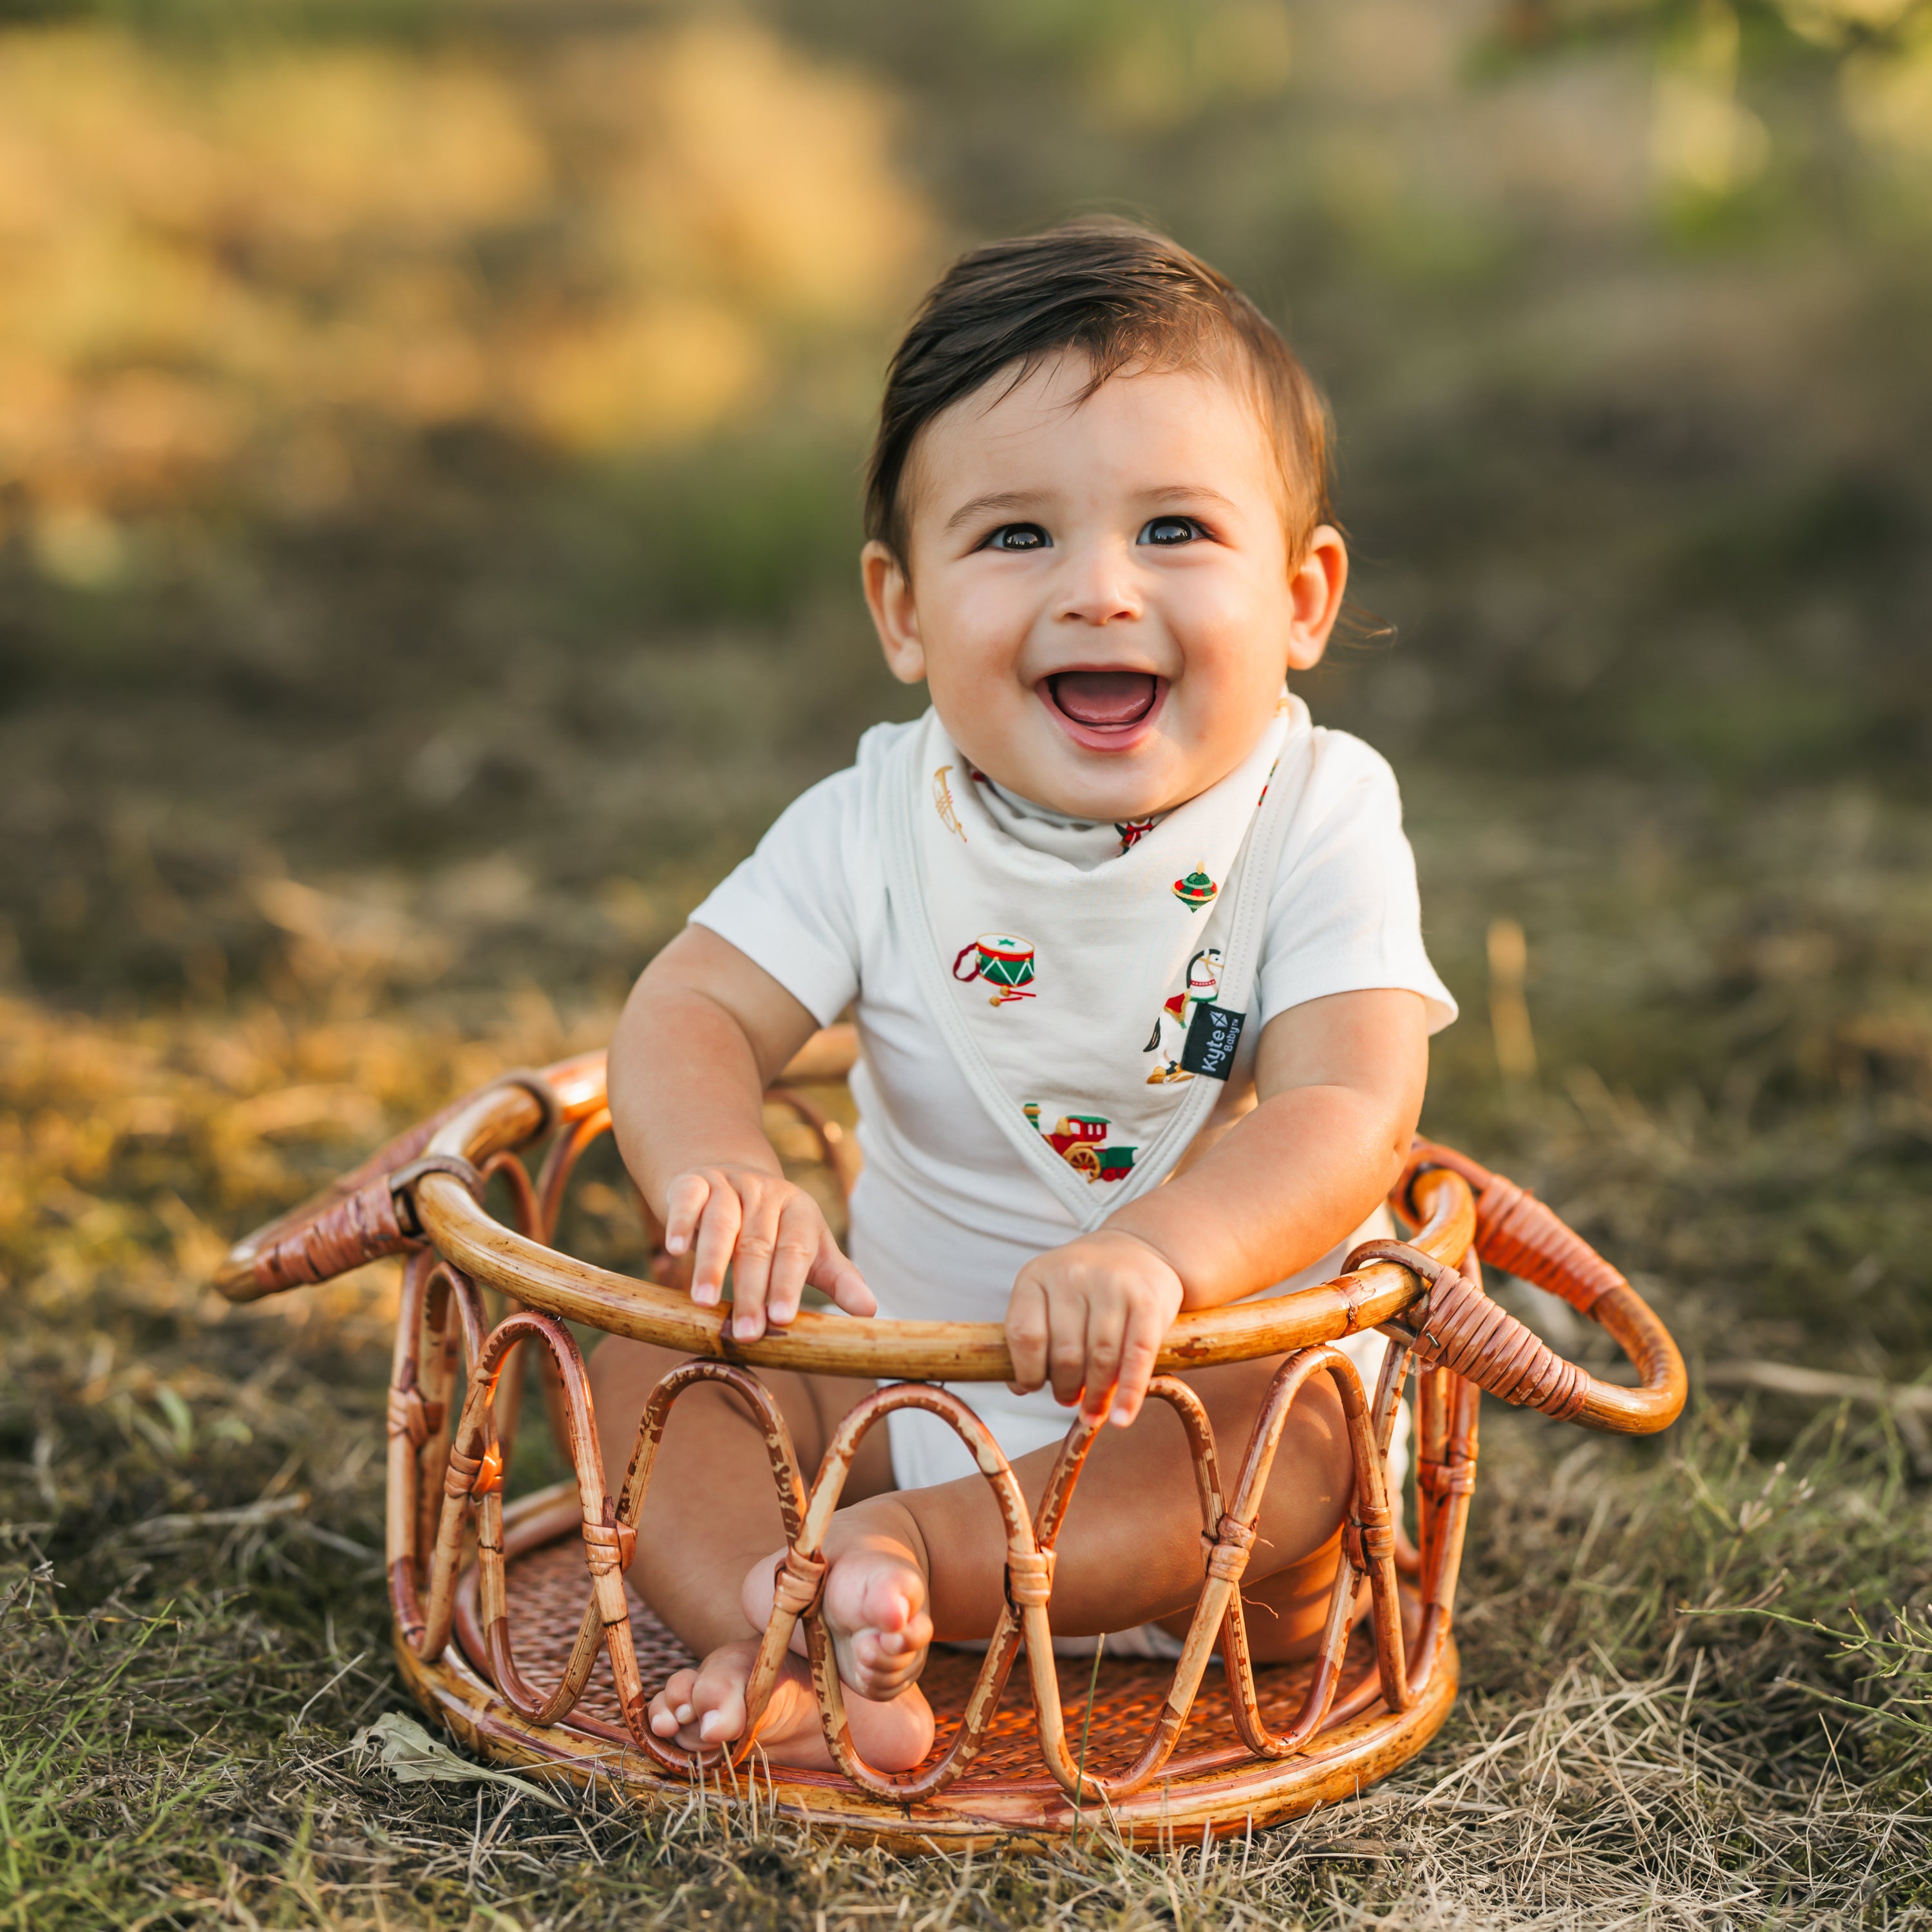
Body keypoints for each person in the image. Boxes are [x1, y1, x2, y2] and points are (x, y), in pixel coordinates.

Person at [588, 219, 1457, 1772]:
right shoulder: (872, 820)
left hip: (1199, 1452)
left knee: (1305, 1437)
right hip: (893, 1396)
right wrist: (723, 1170)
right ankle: (770, 1623)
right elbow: (692, 1011)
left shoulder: (1320, 809)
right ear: (904, 612)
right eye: (1014, 539)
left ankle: (895, 1566)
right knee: (646, 1364)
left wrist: (1157, 1256)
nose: (1102, 594)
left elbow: (1348, 1099)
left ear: (1306, 595)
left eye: (1176, 531)